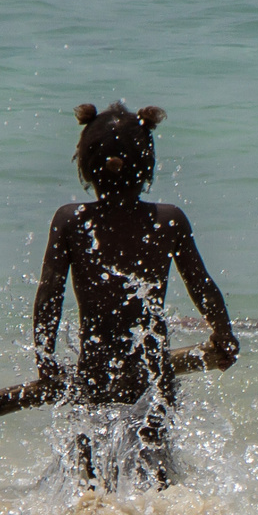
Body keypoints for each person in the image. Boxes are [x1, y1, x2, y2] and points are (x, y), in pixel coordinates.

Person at [31, 102, 238, 487]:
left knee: (89, 471)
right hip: (151, 372)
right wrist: (223, 336)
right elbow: (202, 286)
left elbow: (49, 298)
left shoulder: (71, 220)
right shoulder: (167, 220)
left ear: (86, 166)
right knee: (154, 465)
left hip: (93, 373)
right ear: (147, 165)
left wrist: (46, 362)